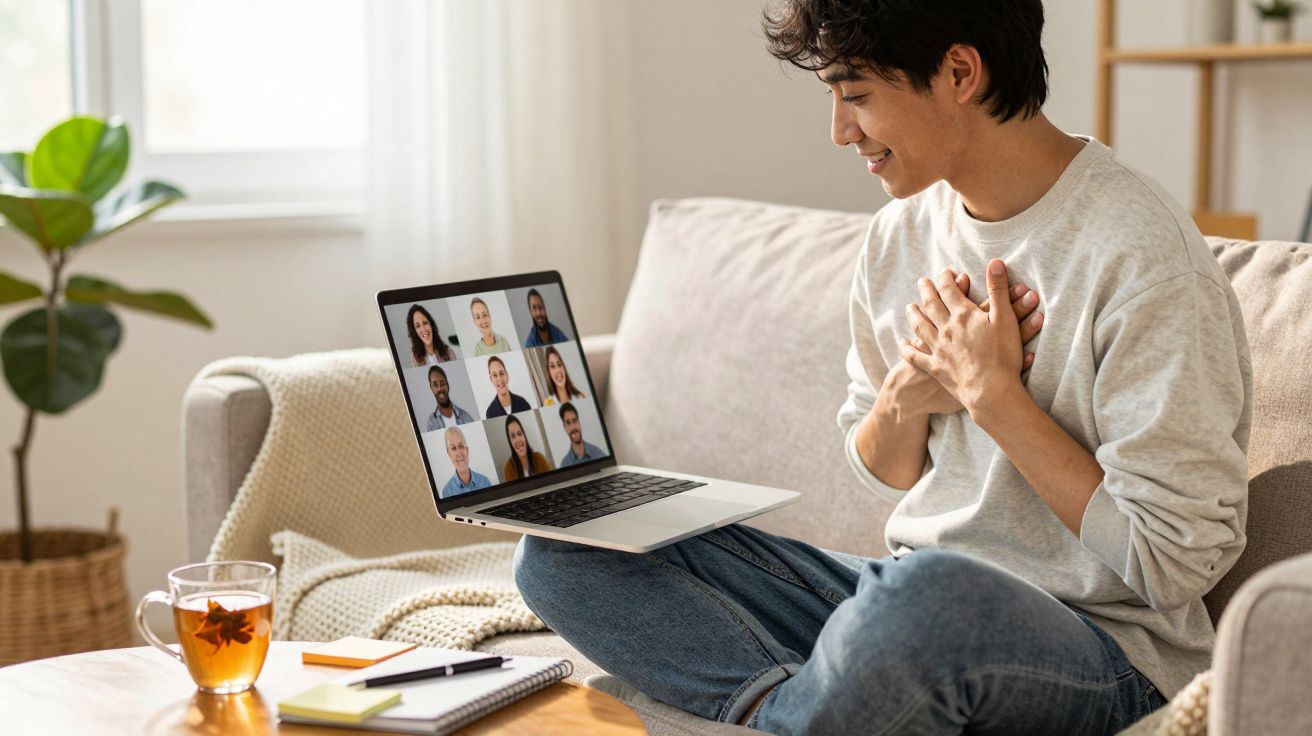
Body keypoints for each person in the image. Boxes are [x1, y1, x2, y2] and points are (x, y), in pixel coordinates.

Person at [512, 2, 1252, 734]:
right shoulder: (900, 235)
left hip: (1104, 652)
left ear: (960, 72)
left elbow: (1171, 563)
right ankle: (796, 708)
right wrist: (906, 397)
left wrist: (993, 397)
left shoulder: (1140, 257)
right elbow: (883, 471)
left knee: (926, 599)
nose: (840, 131)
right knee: (565, 547)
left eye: (856, 95)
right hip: (901, 603)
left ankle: (835, 696)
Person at [440, 426, 491, 497]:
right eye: (453, 448)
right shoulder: (447, 492)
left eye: (461, 446)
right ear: (449, 455)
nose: (459, 453)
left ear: (467, 450)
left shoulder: (485, 482)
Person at [501, 414, 552, 480]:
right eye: (513, 436)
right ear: (510, 441)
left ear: (524, 435)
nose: (518, 439)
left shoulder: (539, 459)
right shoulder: (508, 468)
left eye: (519, 434)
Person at [424, 366, 475, 431]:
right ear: (431, 388)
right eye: (435, 385)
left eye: (442, 384)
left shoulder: (465, 416)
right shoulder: (431, 422)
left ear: (448, 385)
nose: (440, 388)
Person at [555, 402, 604, 467]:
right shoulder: (565, 464)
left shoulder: (598, 454)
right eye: (568, 423)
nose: (573, 427)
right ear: (565, 428)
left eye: (574, 421)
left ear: (579, 423)